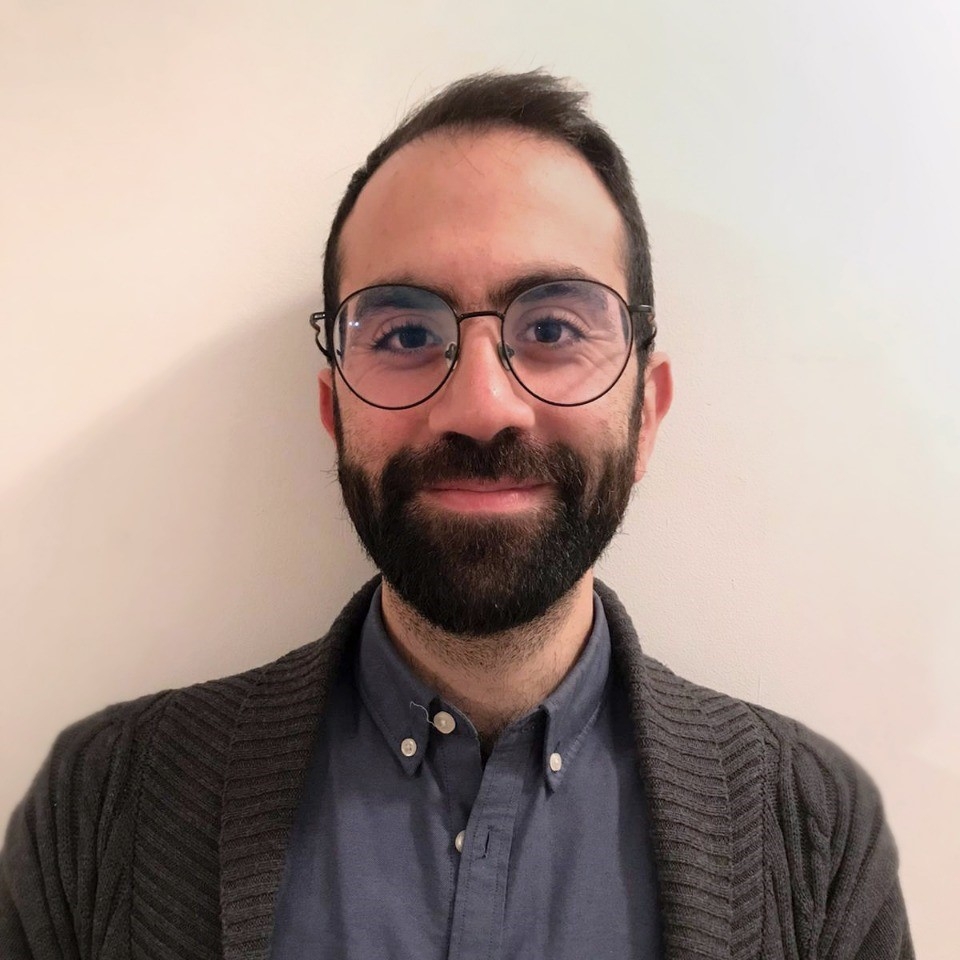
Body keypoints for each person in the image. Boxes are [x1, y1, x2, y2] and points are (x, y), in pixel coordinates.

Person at [0, 71, 912, 960]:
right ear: (334, 412)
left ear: (648, 415)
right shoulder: (100, 808)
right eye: (403, 334)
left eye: (553, 328)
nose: (481, 407)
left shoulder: (817, 835)